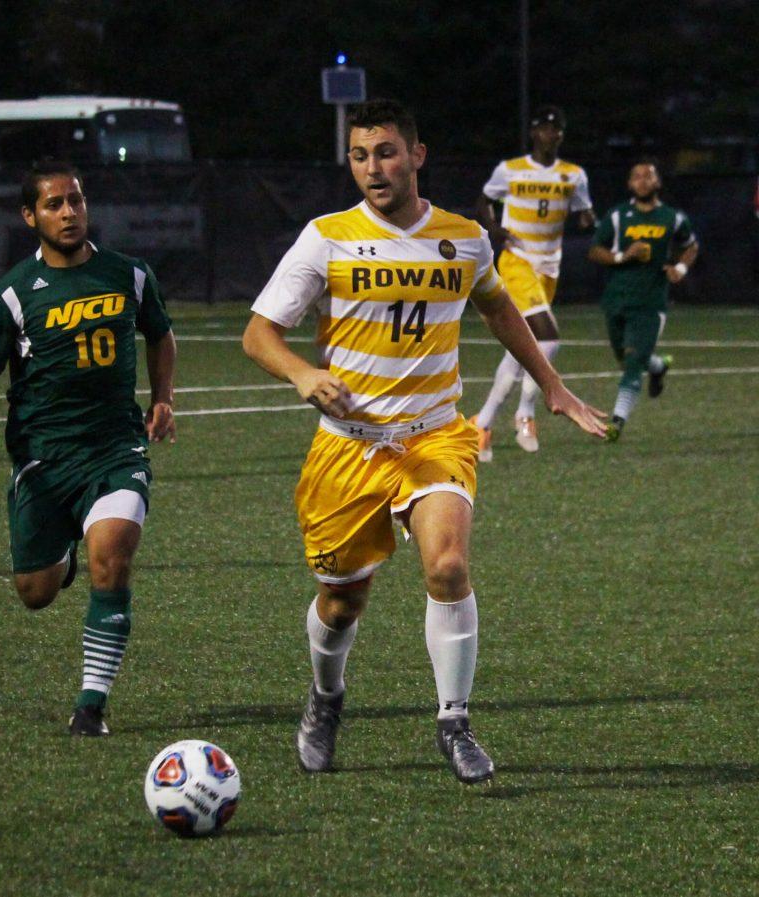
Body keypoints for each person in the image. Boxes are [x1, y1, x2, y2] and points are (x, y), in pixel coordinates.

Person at [241, 99, 605, 784]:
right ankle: (325, 698)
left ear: (417, 155)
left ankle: (454, 720)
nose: (372, 168)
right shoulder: (326, 237)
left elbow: (497, 305)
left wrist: (550, 383)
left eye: (385, 152)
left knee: (447, 566)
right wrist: (302, 373)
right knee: (343, 601)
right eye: (359, 155)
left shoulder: (464, 237)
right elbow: (259, 333)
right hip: (347, 446)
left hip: (436, 436)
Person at [0, 160, 176, 737]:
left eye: (76, 201)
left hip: (115, 450)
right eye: (54, 205)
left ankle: (91, 706)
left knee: (114, 556)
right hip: (42, 457)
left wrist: (163, 398)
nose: (68, 212)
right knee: (34, 593)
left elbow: (159, 332)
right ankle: (62, 558)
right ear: (30, 216)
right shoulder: (12, 292)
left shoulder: (128, 275)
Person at [469, 106, 596, 460]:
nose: (550, 135)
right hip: (517, 261)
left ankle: (482, 423)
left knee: (520, 347)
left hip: (548, 268)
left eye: (556, 129)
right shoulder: (510, 170)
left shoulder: (573, 175)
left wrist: (589, 220)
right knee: (549, 336)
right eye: (543, 128)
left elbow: (584, 212)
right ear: (533, 133)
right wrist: (494, 229)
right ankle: (525, 411)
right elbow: (483, 201)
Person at [589, 159, 698, 440]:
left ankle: (616, 423)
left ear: (657, 182)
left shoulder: (672, 218)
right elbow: (594, 251)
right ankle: (659, 366)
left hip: (651, 303)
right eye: (636, 176)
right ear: (629, 184)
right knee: (626, 360)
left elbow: (691, 246)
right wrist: (622, 256)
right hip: (617, 300)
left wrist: (680, 268)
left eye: (648, 176)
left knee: (634, 363)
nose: (642, 181)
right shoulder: (617, 216)